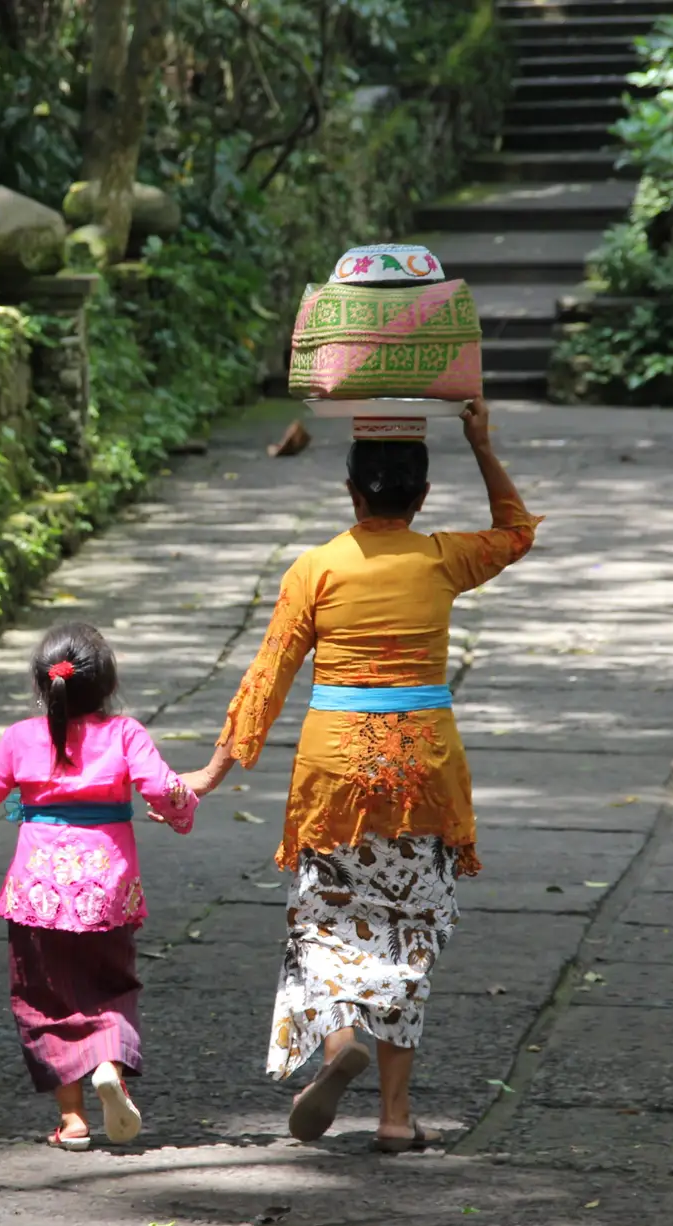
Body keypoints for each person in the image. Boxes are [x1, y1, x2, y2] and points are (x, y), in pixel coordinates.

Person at [182, 396, 538, 1152]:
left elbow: (268, 675)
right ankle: (395, 1118)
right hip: (420, 771)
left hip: (335, 772)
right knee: (408, 934)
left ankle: (340, 1037)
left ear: (351, 491)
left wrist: (213, 771)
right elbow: (515, 532)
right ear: (422, 495)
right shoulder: (442, 557)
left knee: (325, 920)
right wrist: (481, 442)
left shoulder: (316, 568)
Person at [0, 622, 199, 1150]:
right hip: (107, 891)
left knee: (43, 998)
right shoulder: (125, 733)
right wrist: (181, 810)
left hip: (37, 895)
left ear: (44, 686)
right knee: (111, 985)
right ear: (107, 685)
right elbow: (163, 787)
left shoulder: (22, 737)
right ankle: (108, 1065)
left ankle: (73, 1120)